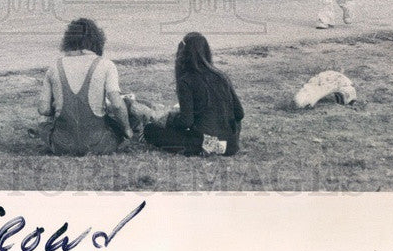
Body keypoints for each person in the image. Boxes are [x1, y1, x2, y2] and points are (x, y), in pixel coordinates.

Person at [37, 18, 133, 156]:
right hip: (100, 145)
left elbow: (43, 110)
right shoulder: (106, 65)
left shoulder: (54, 68)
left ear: (68, 41)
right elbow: (118, 105)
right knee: (128, 108)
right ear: (97, 40)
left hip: (61, 146)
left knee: (42, 122)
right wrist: (127, 129)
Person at [139, 33, 244, 157]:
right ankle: (217, 145)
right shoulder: (221, 76)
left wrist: (171, 119)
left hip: (206, 143)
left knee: (150, 130)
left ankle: (210, 147)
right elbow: (239, 113)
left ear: (182, 54)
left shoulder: (186, 80)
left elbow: (186, 122)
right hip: (231, 145)